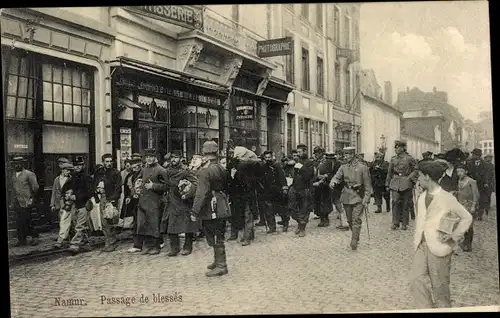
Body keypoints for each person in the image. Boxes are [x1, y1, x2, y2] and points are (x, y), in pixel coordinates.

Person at [410, 160, 472, 309]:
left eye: (419, 176)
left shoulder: (447, 198)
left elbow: (467, 217)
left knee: (440, 289)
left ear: (427, 176)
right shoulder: (421, 196)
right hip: (421, 244)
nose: (417, 179)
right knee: (415, 280)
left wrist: (454, 236)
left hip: (440, 247)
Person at [191, 140, 229, 277]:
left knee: (213, 234)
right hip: (221, 204)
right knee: (218, 233)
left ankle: (221, 265)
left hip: (211, 207)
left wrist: (195, 211)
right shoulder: (220, 167)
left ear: (204, 154)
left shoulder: (204, 171)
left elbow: (201, 193)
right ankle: (218, 261)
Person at [330, 147, 372, 250]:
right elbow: (337, 176)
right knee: (349, 220)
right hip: (346, 196)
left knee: (356, 219)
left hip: (358, 196)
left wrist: (366, 198)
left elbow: (367, 185)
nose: (345, 157)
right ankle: (355, 235)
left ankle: (354, 240)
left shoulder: (363, 167)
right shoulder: (343, 167)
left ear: (353, 154)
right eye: (344, 155)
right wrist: (333, 181)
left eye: (347, 155)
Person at [160, 151, 200, 256]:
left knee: (187, 225)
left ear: (180, 158)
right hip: (171, 201)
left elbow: (196, 184)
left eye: (176, 157)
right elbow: (165, 184)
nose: (173, 160)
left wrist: (187, 193)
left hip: (184, 201)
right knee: (171, 225)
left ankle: (188, 247)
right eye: (172, 157)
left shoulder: (185, 171)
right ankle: (174, 248)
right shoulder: (167, 171)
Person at [135, 149, 168, 255]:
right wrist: (136, 188)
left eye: (151, 157)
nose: (149, 159)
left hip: (155, 201)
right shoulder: (144, 169)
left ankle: (156, 246)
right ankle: (147, 246)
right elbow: (138, 180)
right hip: (143, 201)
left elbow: (167, 186)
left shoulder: (161, 170)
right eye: (147, 157)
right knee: (143, 224)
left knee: (154, 224)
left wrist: (153, 186)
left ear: (155, 157)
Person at [230, 146, 261, 246]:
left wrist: (232, 176)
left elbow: (238, 181)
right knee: (248, 215)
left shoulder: (241, 166)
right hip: (249, 194)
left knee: (245, 215)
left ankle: (246, 237)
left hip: (242, 194)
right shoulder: (253, 163)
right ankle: (249, 235)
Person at [92, 153, 122, 252]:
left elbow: (118, 189)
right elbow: (94, 184)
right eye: (107, 161)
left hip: (111, 199)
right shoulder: (99, 172)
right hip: (102, 198)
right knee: (104, 222)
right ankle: (107, 241)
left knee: (110, 220)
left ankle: (112, 242)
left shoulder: (116, 173)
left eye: (110, 161)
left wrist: (113, 200)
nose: (109, 163)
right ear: (103, 162)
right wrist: (97, 191)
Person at [9, 157, 40, 246]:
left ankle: (35, 237)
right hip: (17, 202)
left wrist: (31, 198)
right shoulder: (13, 175)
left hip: (26, 201)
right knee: (19, 221)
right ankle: (21, 240)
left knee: (28, 220)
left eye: (19, 163)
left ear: (23, 164)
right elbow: (13, 189)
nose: (17, 165)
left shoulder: (29, 174)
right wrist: (12, 202)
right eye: (15, 163)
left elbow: (36, 188)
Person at [386, 140, 417, 231]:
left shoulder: (409, 158)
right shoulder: (393, 159)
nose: (396, 149)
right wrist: (387, 183)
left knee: (405, 203)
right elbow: (389, 172)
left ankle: (404, 223)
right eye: (395, 147)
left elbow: (416, 169)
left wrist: (410, 178)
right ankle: (395, 222)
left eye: (398, 147)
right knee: (395, 201)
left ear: (403, 148)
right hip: (395, 182)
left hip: (406, 182)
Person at [64, 158, 92, 252]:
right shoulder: (72, 177)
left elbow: (89, 191)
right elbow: (65, 188)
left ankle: (74, 244)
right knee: (77, 224)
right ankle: (86, 243)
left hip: (84, 204)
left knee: (80, 225)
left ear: (83, 165)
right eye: (76, 165)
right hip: (75, 205)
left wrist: (77, 196)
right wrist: (68, 194)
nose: (77, 167)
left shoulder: (86, 177)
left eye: (79, 165)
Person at [288, 144, 315, 237]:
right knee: (292, 207)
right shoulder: (297, 161)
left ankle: (302, 228)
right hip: (295, 187)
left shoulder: (310, 162)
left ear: (305, 151)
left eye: (300, 152)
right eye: (297, 152)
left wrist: (302, 168)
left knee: (304, 209)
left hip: (305, 188)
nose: (298, 154)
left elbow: (310, 176)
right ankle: (300, 222)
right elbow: (295, 175)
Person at [260, 150, 287, 234]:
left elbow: (282, 177)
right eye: (266, 157)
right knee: (269, 210)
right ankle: (272, 227)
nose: (268, 159)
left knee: (280, 208)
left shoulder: (276, 166)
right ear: (264, 158)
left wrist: (284, 188)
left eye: (269, 157)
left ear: (272, 157)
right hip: (268, 191)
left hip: (277, 190)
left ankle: (285, 223)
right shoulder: (263, 167)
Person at [454, 163, 479, 252]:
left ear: (466, 172)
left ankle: (468, 245)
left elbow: (476, 195)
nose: (459, 173)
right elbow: (460, 193)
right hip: (461, 205)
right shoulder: (459, 181)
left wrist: (473, 206)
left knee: (470, 225)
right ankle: (464, 242)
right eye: (457, 171)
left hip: (469, 206)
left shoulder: (472, 181)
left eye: (461, 171)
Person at [53, 162, 75, 248]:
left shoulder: (72, 180)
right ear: (62, 170)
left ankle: (65, 239)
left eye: (70, 170)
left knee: (70, 221)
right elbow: (54, 192)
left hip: (70, 203)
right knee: (62, 220)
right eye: (67, 170)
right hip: (60, 202)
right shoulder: (57, 180)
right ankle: (64, 239)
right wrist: (53, 204)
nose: (68, 172)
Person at [466, 148, 491, 220]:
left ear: (478, 155)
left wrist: (486, 183)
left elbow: (486, 174)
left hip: (481, 184)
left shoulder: (485, 164)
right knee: (472, 199)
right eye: (472, 154)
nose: (472, 156)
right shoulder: (469, 162)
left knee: (481, 200)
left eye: (474, 154)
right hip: (472, 184)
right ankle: (473, 214)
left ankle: (480, 214)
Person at [312, 146, 335, 227]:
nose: (316, 155)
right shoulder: (316, 162)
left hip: (325, 185)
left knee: (325, 202)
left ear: (322, 153)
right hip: (317, 185)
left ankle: (326, 219)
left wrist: (325, 177)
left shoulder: (328, 162)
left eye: (317, 153)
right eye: (315, 153)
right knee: (318, 202)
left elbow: (331, 173)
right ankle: (322, 219)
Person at [125, 158, 144, 253]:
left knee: (146, 222)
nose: (136, 168)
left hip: (145, 201)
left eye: (138, 166)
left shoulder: (144, 174)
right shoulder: (131, 177)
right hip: (135, 202)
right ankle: (138, 244)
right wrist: (129, 196)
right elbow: (131, 189)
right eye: (134, 166)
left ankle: (153, 242)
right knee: (136, 223)